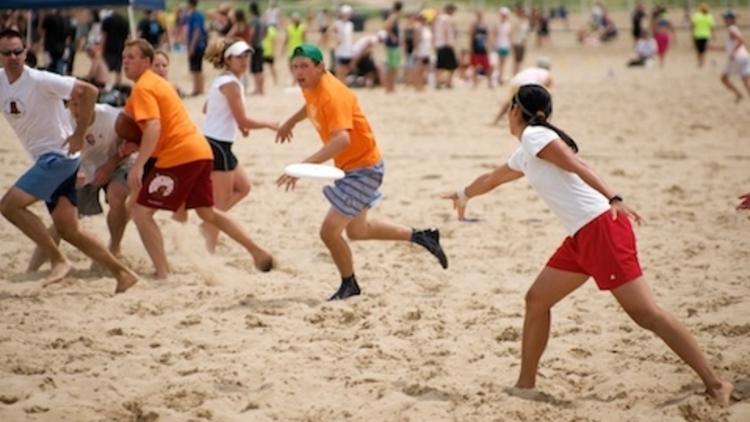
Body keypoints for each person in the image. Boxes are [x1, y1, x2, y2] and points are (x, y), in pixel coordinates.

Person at [443, 84, 734, 406]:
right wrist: (464, 194)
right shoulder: (527, 150)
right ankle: (525, 385)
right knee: (537, 299)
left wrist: (614, 197)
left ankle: (716, 383)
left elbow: (578, 166)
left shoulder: (535, 137)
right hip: (582, 236)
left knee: (645, 313)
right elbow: (492, 179)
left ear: (515, 110)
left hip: (601, 228)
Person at [275, 44, 448, 300]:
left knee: (329, 231)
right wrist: (290, 121)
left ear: (321, 68)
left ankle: (349, 285)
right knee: (358, 231)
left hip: (363, 169)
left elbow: (341, 140)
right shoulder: (312, 86)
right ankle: (423, 237)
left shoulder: (333, 94)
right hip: (352, 167)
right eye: (295, 66)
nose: (299, 72)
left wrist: (304, 166)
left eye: (304, 67)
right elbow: (310, 105)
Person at [121, 39, 273, 279]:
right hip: (200, 150)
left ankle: (163, 273)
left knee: (141, 213)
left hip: (179, 156)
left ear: (146, 62)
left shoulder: (143, 88)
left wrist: (138, 165)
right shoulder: (160, 86)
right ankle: (257, 251)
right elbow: (159, 125)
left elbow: (154, 127)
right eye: (124, 57)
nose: (125, 61)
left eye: (132, 57)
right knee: (207, 212)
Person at [0, 29, 137, 293]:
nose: (14, 57)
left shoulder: (39, 79)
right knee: (69, 230)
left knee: (9, 206)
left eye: (18, 51)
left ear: (26, 53)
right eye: (7, 53)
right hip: (53, 160)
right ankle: (123, 273)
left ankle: (58, 260)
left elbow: (89, 91)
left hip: (58, 157)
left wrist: (79, 132)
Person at [27, 101, 135, 271]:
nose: (77, 110)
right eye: (72, 105)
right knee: (62, 221)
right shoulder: (60, 123)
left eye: (81, 104)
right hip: (81, 169)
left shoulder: (113, 118)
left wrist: (110, 165)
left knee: (116, 196)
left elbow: (133, 145)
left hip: (117, 164)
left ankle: (114, 246)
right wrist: (70, 174)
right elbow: (50, 155)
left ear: (92, 103)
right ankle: (32, 268)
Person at [200, 39, 278, 251]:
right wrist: (270, 125)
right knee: (220, 204)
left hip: (218, 143)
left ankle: (208, 224)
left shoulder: (225, 79)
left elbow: (207, 108)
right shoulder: (231, 84)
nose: (244, 61)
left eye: (246, 56)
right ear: (228, 59)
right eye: (239, 57)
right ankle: (208, 246)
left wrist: (236, 122)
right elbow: (243, 119)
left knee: (243, 188)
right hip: (217, 145)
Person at [492, 59, 552, 125]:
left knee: (511, 102)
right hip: (529, 85)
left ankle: (497, 119)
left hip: (515, 83)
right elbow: (547, 86)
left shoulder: (532, 69)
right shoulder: (546, 73)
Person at [718, 11, 750, 102]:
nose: (724, 20)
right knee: (746, 81)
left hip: (737, 57)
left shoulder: (731, 28)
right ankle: (739, 95)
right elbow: (729, 46)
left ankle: (738, 94)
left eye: (726, 18)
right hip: (745, 56)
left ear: (731, 19)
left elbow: (741, 40)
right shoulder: (735, 28)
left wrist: (733, 52)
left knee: (723, 78)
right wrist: (713, 48)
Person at [101, 10, 129, 85]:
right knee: (118, 69)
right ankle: (118, 85)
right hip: (120, 47)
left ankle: (107, 84)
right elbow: (126, 37)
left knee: (106, 68)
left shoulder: (107, 20)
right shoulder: (124, 21)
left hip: (109, 47)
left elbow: (104, 35)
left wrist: (102, 48)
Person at [434, 4, 458, 89]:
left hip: (439, 44)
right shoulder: (447, 18)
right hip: (446, 44)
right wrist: (450, 42)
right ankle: (448, 82)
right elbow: (446, 31)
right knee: (452, 66)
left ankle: (438, 82)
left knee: (440, 65)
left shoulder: (439, 18)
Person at [186, 0, 207, 96]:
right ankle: (198, 88)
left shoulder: (195, 16)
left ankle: (198, 89)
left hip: (197, 45)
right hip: (200, 44)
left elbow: (197, 31)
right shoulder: (197, 15)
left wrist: (191, 46)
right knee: (197, 68)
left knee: (196, 68)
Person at [382, 2, 403, 93]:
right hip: (392, 45)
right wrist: (392, 36)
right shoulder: (393, 16)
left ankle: (391, 87)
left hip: (393, 45)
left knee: (394, 66)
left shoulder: (394, 16)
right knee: (392, 67)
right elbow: (386, 26)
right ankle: (389, 87)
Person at [247, 1, 266, 95]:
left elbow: (252, 32)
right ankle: (260, 89)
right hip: (260, 44)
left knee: (255, 69)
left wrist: (248, 43)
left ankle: (257, 89)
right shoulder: (261, 19)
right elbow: (265, 32)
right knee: (260, 68)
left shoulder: (254, 20)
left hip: (254, 45)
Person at [469, 10, 491, 88]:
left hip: (483, 48)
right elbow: (471, 37)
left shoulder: (485, 25)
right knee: (475, 66)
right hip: (476, 48)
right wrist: (471, 48)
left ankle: (489, 82)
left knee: (487, 66)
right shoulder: (474, 25)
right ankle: (475, 83)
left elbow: (488, 37)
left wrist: (489, 46)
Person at [333, 5, 355, 82]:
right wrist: (336, 38)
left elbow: (351, 37)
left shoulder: (350, 24)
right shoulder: (337, 23)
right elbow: (331, 32)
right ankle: (339, 86)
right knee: (339, 70)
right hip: (340, 51)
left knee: (345, 71)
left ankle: (343, 86)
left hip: (348, 51)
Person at [691, 3, 714, 68]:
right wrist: (713, 34)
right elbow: (711, 26)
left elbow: (693, 25)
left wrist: (692, 33)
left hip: (697, 35)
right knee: (703, 50)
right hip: (705, 35)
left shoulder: (697, 15)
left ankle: (700, 62)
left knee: (699, 50)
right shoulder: (709, 16)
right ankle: (702, 62)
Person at [493, 7, 512, 84]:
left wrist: (510, 45)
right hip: (499, 45)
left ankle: (501, 77)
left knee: (504, 63)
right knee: (499, 63)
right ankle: (499, 77)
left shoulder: (508, 25)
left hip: (505, 45)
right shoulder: (498, 24)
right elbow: (494, 34)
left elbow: (509, 36)